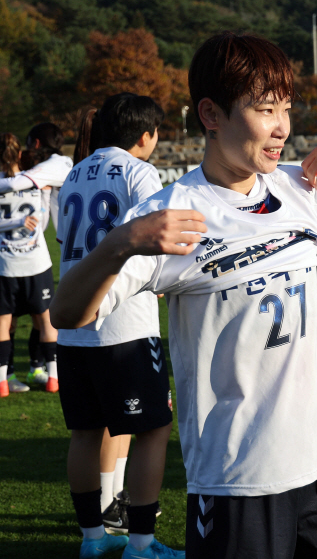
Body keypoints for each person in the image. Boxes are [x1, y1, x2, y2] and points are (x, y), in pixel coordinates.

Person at [51, 31, 317, 559]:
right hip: (239, 474)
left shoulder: (298, 188)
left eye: (286, 108)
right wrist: (122, 243)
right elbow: (67, 313)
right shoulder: (171, 211)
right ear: (211, 115)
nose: (282, 126)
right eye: (265, 109)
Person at [56, 93, 182, 559]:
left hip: (73, 323)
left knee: (86, 432)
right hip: (122, 324)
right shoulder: (138, 171)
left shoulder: (72, 175)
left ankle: (92, 539)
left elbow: (65, 240)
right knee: (152, 428)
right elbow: (157, 236)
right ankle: (142, 544)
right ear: (145, 135)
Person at [0, 122, 72, 387]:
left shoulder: (16, 181)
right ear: (20, 154)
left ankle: (5, 378)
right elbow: (41, 224)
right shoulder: (38, 181)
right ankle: (50, 374)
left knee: (7, 321)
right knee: (43, 318)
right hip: (36, 260)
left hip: (5, 263)